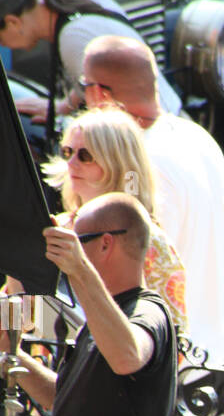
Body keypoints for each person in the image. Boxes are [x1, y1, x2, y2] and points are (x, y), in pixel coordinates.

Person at [80, 36, 224, 416]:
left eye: (81, 88)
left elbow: (130, 270)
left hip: (171, 370)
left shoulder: (139, 164)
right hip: (216, 356)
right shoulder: (194, 137)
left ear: (98, 93)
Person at [1, 193, 176, 416]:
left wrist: (79, 269)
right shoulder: (99, 319)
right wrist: (12, 357)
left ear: (106, 244)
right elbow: (62, 398)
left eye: (78, 244)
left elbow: (128, 356)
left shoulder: (147, 313)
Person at [33, 106, 187, 340]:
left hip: (110, 371)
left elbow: (173, 338)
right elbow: (19, 312)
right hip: (51, 370)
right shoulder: (57, 227)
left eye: (85, 156)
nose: (72, 163)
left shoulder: (150, 241)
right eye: (67, 152)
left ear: (117, 162)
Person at [0, 0, 182, 140]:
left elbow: (106, 123)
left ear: (13, 22)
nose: (3, 45)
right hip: (175, 123)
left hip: (155, 139)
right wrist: (64, 106)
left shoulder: (72, 38)